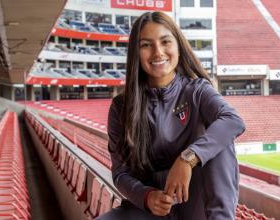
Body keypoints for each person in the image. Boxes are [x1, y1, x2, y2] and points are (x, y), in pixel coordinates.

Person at [96, 11, 245, 220]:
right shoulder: (121, 106)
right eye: (146, 45)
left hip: (197, 206)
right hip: (150, 210)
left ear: (178, 45)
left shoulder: (197, 91)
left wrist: (187, 158)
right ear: (136, 53)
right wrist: (147, 197)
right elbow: (120, 174)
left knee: (219, 137)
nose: (158, 52)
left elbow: (233, 121)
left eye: (165, 42)